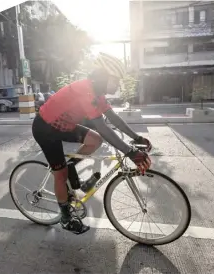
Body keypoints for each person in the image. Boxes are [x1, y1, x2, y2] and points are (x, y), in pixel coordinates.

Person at [32, 52, 152, 235]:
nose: (118, 85)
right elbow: (103, 126)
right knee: (60, 173)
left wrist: (136, 138)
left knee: (95, 139)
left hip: (64, 126)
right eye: (116, 80)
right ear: (104, 77)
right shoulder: (85, 90)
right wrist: (130, 152)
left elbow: (114, 119)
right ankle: (65, 217)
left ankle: (71, 166)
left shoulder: (98, 93)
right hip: (45, 128)